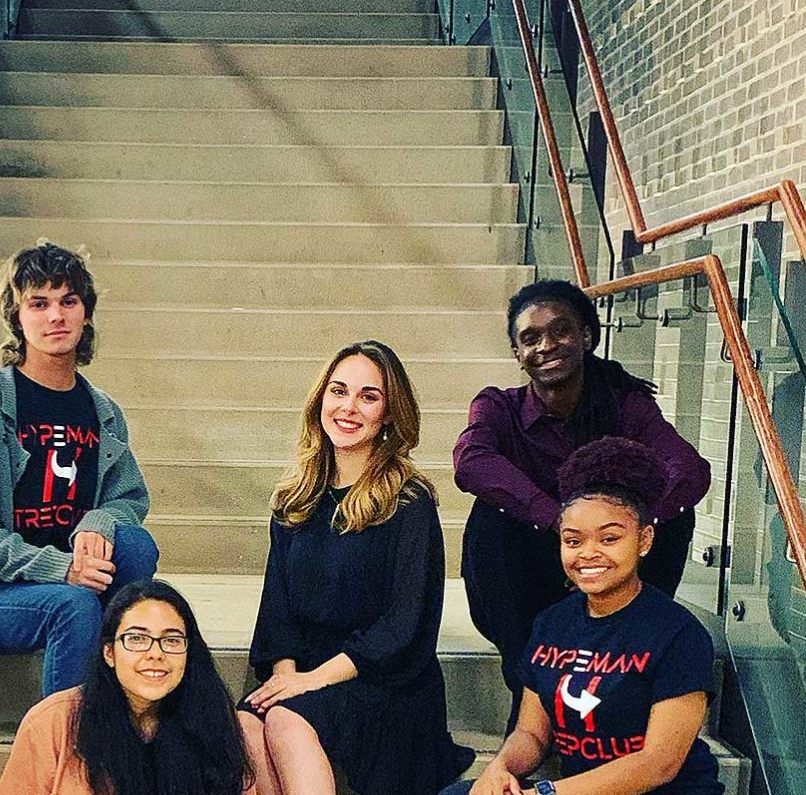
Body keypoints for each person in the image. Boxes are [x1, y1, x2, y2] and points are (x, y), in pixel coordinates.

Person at [453, 279, 710, 732]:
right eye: (530, 338)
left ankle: (619, 680)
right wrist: (560, 521)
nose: (547, 345)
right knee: (490, 517)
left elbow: (687, 469)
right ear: (518, 353)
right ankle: (529, 691)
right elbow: (471, 462)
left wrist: (622, 528)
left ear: (587, 336)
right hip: (528, 574)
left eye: (561, 331)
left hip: (612, 570)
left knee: (673, 517)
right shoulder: (499, 407)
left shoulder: (626, 405)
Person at [0, 242, 157, 735]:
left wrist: (96, 522)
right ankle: (64, 751)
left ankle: (119, 714)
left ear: (86, 313)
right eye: (39, 303)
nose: (56, 315)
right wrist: (61, 568)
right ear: (16, 314)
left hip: (76, 577)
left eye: (68, 301)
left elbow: (128, 497)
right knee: (75, 604)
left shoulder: (103, 411)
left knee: (136, 547)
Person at [238, 341, 473, 795]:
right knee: (246, 725)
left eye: (368, 396)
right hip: (306, 671)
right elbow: (277, 612)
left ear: (387, 414)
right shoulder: (295, 500)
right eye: (338, 391)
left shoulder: (408, 502)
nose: (348, 407)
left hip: (384, 682)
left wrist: (310, 682)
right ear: (320, 400)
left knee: (285, 717)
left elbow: (404, 626)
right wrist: (286, 674)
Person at [440, 437, 722, 795]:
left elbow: (659, 763)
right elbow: (531, 733)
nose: (588, 554)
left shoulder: (679, 635)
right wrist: (500, 768)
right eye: (573, 541)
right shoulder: (551, 624)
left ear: (645, 540)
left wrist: (549, 793)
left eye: (608, 539)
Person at [0, 580, 255, 795]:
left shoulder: (213, 719)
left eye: (172, 640)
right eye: (137, 639)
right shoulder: (53, 721)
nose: (156, 653)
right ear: (109, 653)